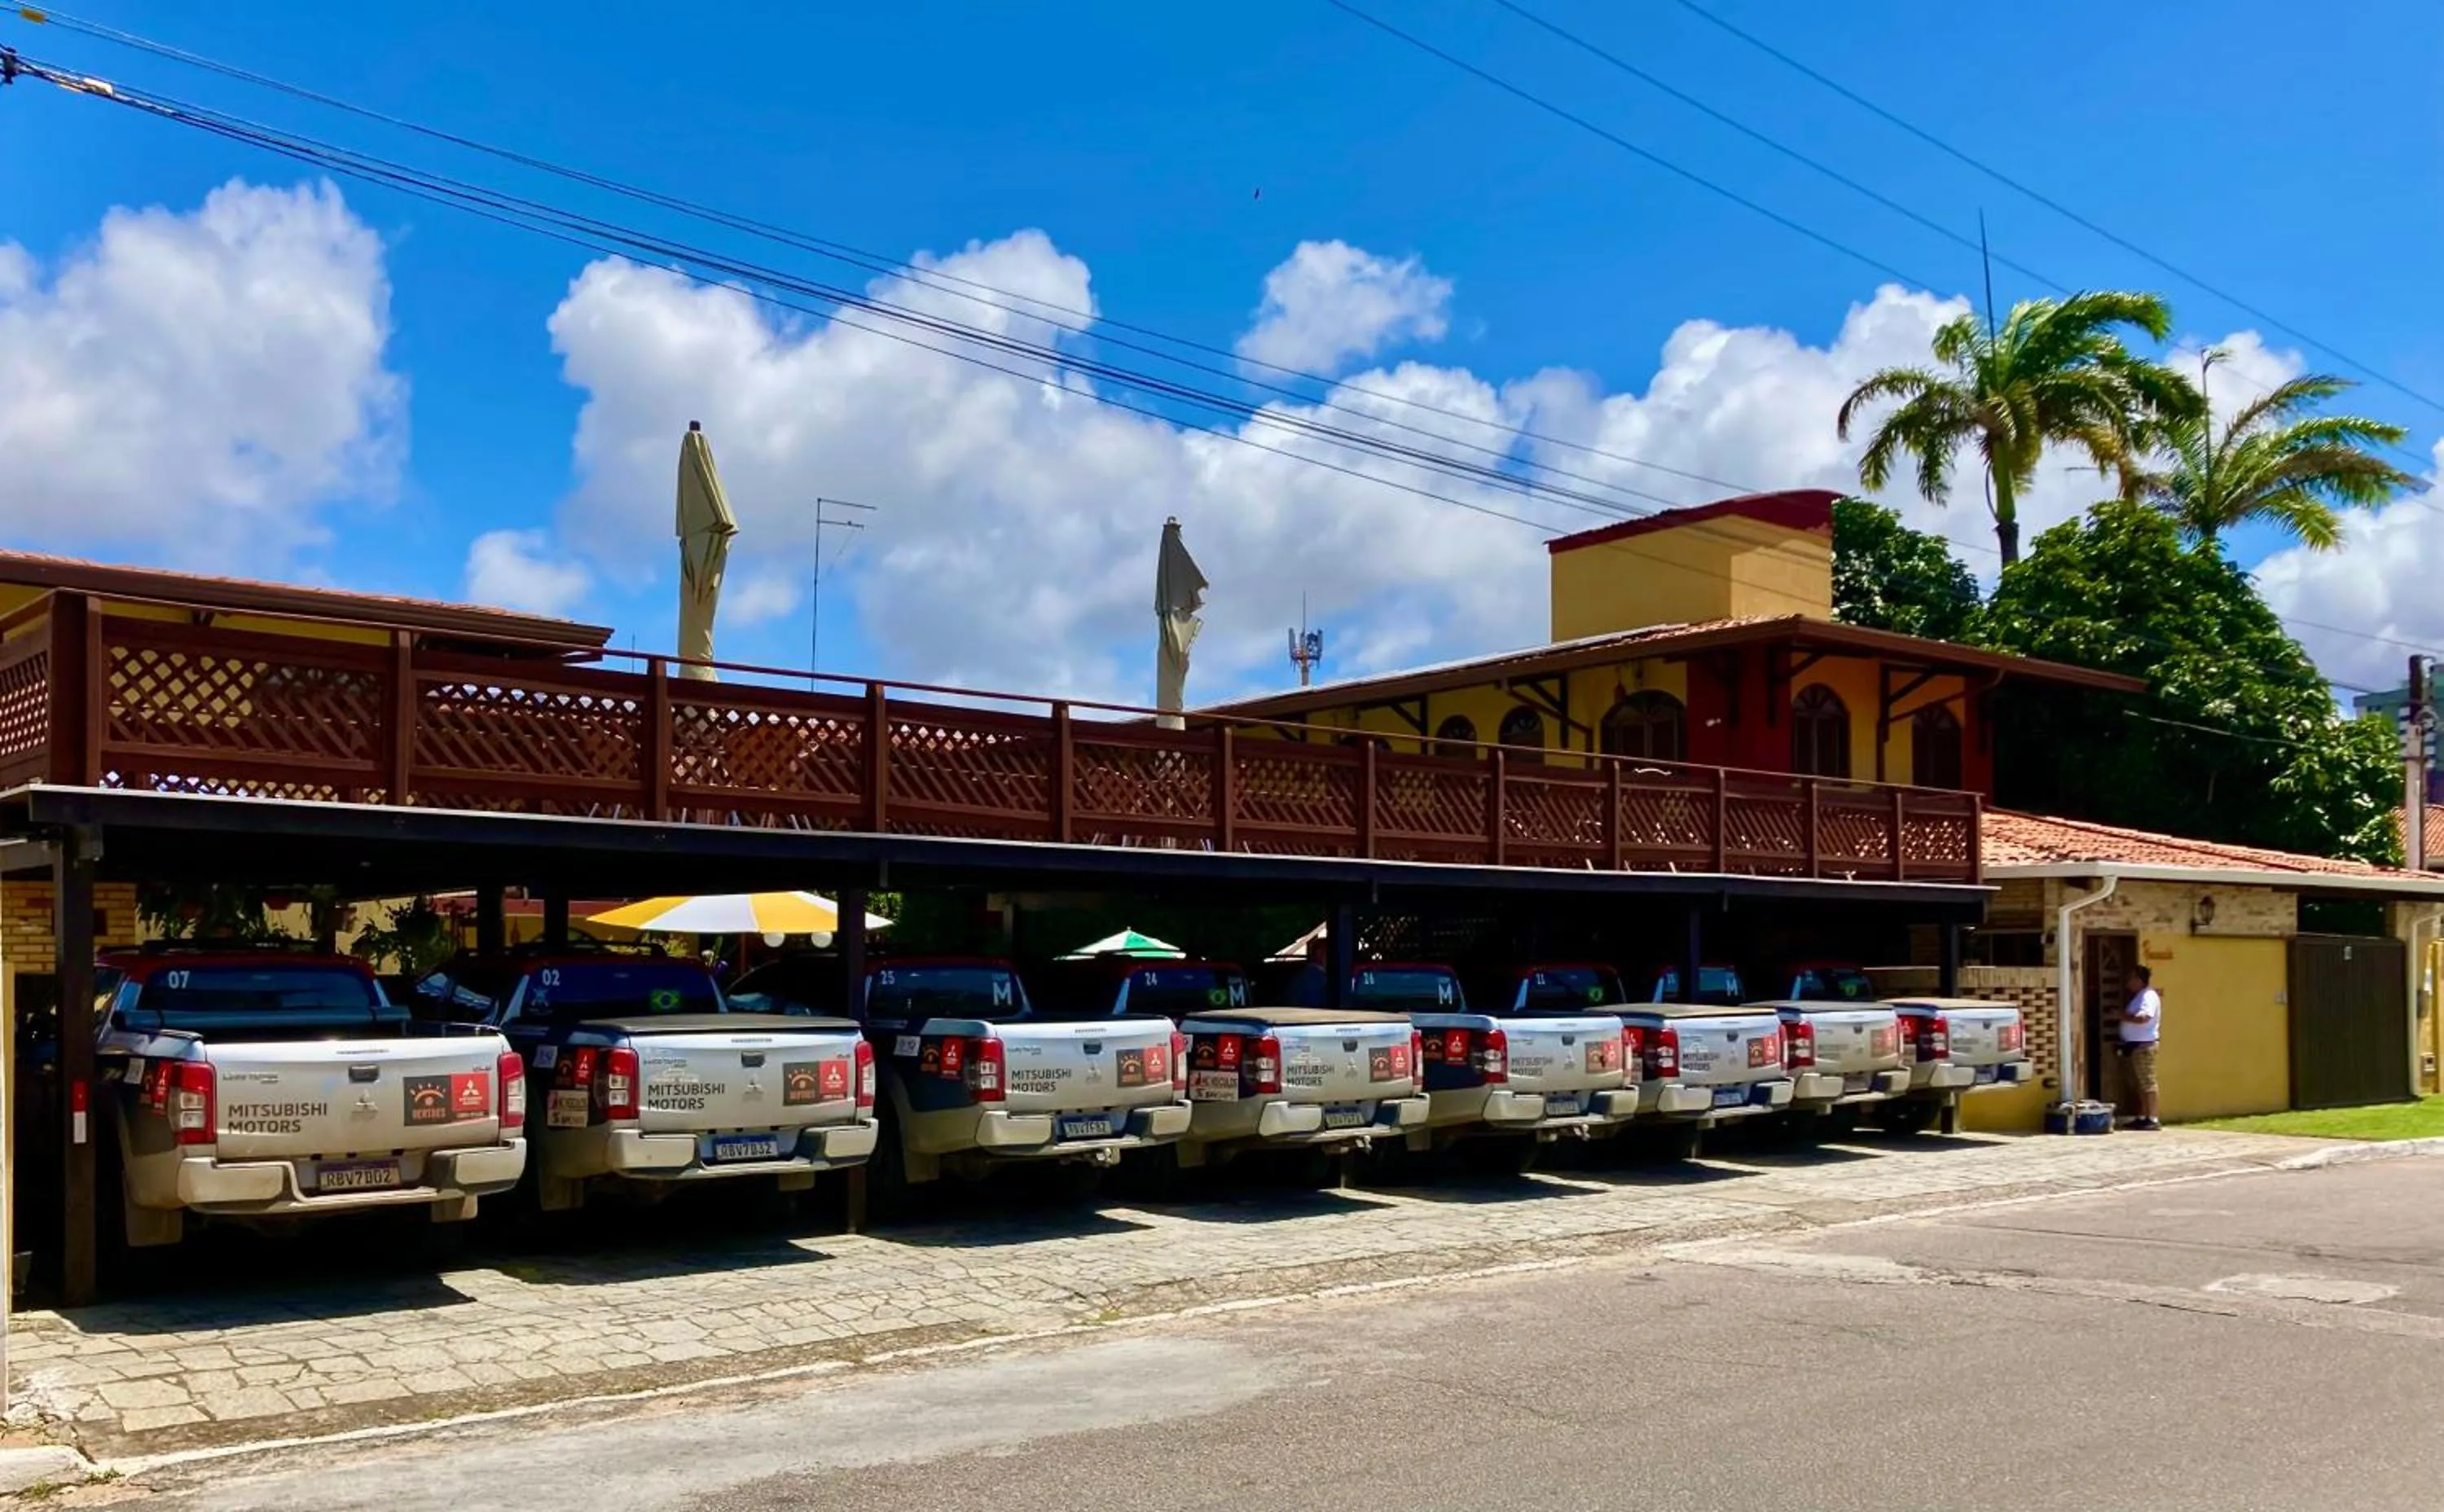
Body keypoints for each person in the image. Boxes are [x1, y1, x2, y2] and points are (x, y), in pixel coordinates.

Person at [2118, 965, 2162, 1130]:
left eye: (2131, 978)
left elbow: (2144, 1018)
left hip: (2144, 1046)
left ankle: (2153, 1118)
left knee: (2148, 1082)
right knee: (2141, 1083)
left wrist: (2121, 1016)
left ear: (2139, 980)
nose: (2128, 982)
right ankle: (2143, 1116)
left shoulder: (2148, 996)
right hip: (2135, 1045)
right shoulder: (2139, 996)